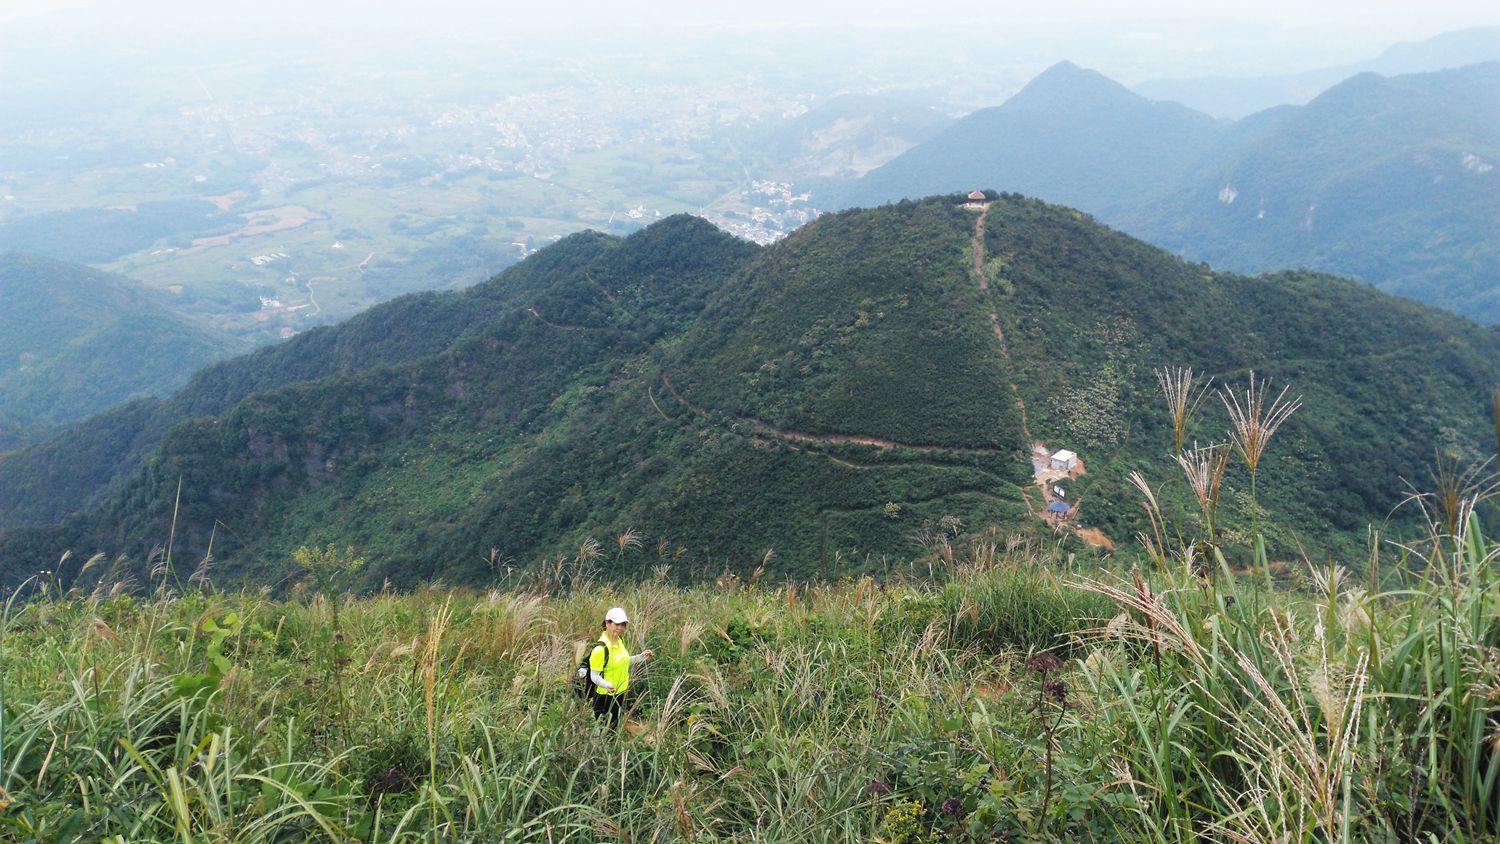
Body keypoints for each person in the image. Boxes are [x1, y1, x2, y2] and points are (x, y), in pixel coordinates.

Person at [588, 606, 653, 727]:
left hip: (619, 692)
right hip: (604, 696)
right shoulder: (600, 649)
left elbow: (624, 661)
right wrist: (606, 685)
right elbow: (594, 676)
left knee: (613, 728)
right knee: (602, 730)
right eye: (617, 624)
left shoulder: (620, 641)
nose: (620, 628)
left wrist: (641, 657)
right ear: (607, 623)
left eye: (623, 625)